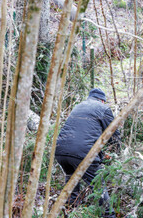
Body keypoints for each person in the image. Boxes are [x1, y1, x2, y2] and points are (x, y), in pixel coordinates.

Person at [55, 88, 120, 217]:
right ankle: (109, 215)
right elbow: (113, 134)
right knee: (98, 187)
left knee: (72, 184)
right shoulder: (103, 109)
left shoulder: (78, 107)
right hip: (83, 154)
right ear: (102, 100)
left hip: (61, 152)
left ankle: (71, 212)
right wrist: (116, 154)